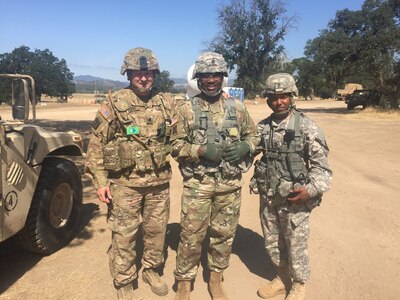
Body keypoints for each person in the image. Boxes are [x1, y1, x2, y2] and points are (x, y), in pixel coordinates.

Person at [85, 47, 177, 300]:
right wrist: (100, 181)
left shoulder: (166, 102)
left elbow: (180, 136)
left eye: (148, 73)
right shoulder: (115, 103)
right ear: (129, 74)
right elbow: (96, 144)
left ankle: (151, 269)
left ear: (155, 74)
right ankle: (124, 280)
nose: (144, 78)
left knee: (156, 231)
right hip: (124, 184)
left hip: (159, 182)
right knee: (124, 234)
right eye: (138, 73)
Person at [171, 52, 259, 300]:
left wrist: (245, 147)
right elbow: (174, 145)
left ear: (223, 77)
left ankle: (216, 278)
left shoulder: (237, 108)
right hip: (198, 186)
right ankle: (184, 282)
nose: (211, 80)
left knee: (223, 234)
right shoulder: (186, 109)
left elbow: (255, 137)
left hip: (229, 186)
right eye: (206, 75)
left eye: (216, 75)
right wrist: (198, 150)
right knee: (191, 235)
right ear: (198, 78)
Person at [250, 73, 332, 300]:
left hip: (295, 199)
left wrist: (311, 190)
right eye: (274, 97)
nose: (279, 102)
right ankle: (281, 278)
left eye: (284, 96)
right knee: (273, 241)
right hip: (269, 197)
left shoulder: (307, 127)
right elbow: (248, 152)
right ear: (267, 99)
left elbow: (322, 169)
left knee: (295, 244)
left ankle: (298, 285)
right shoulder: (262, 128)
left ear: (292, 96)